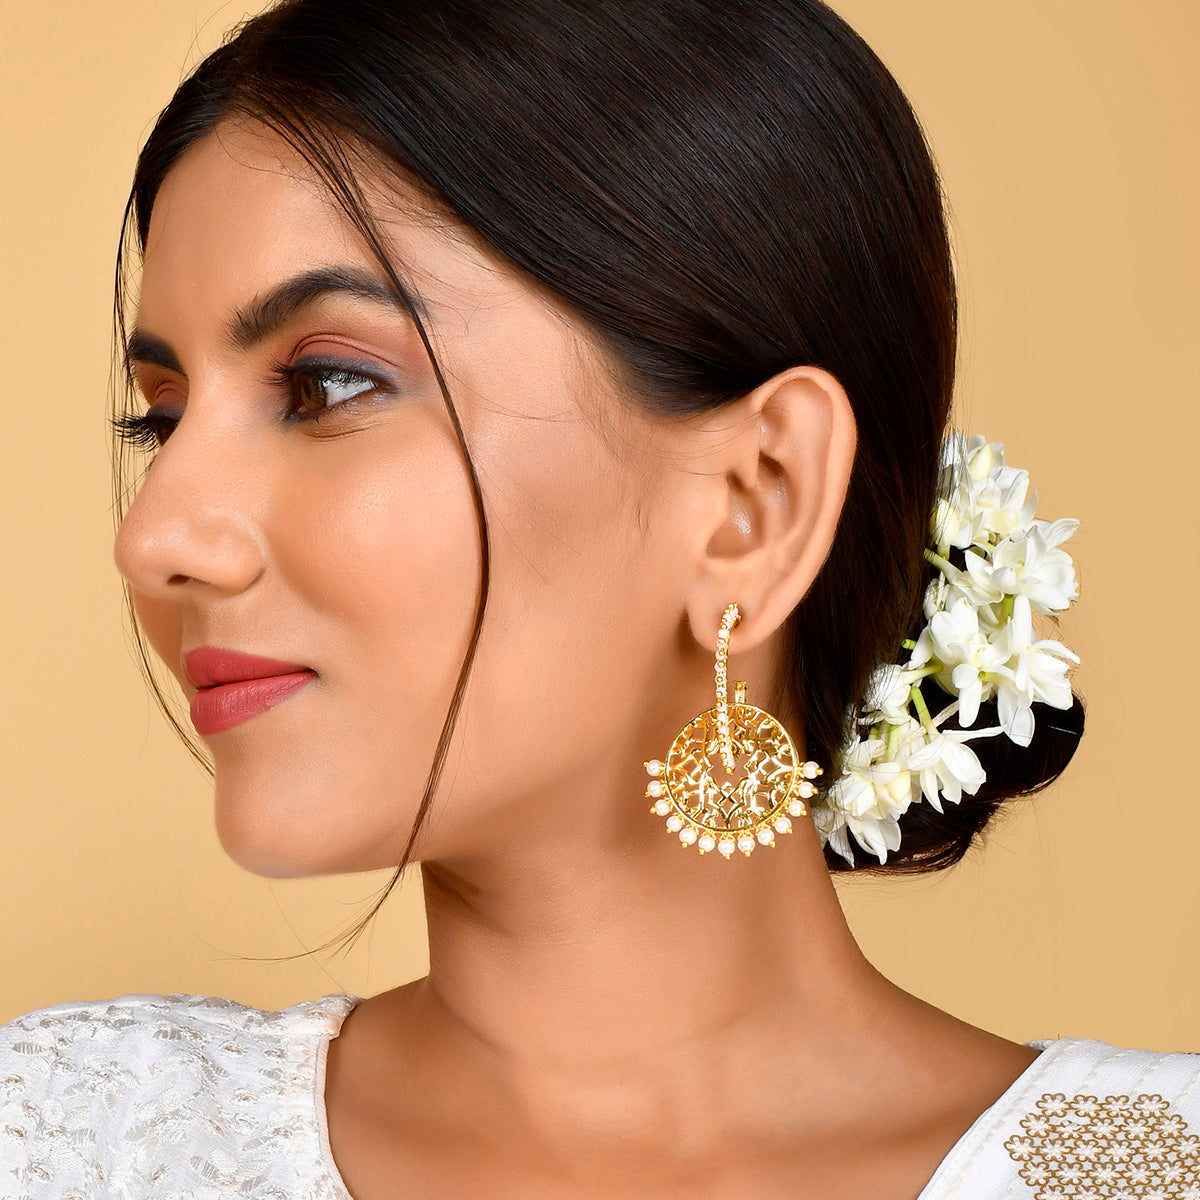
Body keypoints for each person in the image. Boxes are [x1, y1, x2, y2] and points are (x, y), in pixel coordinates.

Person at [2, 1, 1197, 1196]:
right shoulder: (69, 1142)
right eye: (163, 422)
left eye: (326, 386)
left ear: (755, 503)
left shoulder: (1143, 1167)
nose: (154, 539)